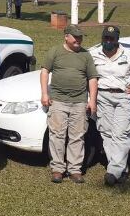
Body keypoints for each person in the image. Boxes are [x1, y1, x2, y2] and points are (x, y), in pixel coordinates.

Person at [91, 26, 130, 187]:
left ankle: (113, 171)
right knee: (106, 133)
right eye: (105, 38)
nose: (108, 41)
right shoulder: (94, 54)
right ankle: (120, 169)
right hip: (102, 96)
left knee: (120, 134)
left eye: (111, 39)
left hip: (123, 97)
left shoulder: (129, 54)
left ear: (117, 40)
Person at [40, 24, 99, 184]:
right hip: (58, 100)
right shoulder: (55, 51)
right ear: (66, 36)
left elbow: (92, 78)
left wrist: (92, 100)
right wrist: (45, 93)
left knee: (77, 137)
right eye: (75, 37)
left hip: (79, 102)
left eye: (80, 37)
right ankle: (58, 169)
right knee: (57, 135)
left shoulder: (86, 55)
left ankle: (74, 169)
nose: (79, 40)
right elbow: (45, 71)